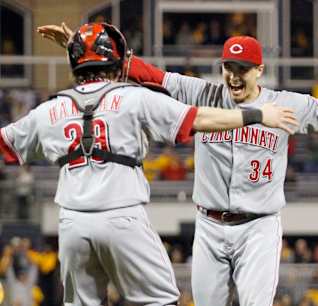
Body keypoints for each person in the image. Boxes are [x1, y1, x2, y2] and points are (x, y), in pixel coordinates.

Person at [38, 24, 318, 306]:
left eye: (242, 69)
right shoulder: (204, 92)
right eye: (228, 67)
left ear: (259, 71)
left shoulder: (288, 104)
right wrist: (79, 46)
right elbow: (144, 73)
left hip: (258, 226)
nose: (233, 75)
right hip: (208, 226)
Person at [0, 23, 297, 305]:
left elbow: (5, 143)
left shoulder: (50, 109)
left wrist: (76, 45)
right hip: (121, 215)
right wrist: (257, 115)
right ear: (117, 63)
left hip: (71, 223)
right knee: (161, 299)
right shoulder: (133, 98)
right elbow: (200, 118)